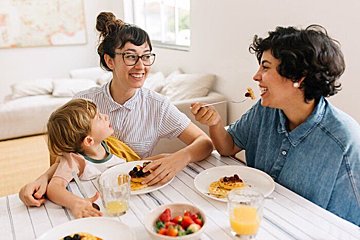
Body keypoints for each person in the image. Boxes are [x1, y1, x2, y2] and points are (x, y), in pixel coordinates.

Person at [19, 12, 213, 207]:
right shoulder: (85, 102)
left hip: (134, 195)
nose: (141, 66)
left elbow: (204, 143)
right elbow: (63, 155)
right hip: (87, 197)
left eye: (146, 56)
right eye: (130, 56)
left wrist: (179, 158)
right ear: (110, 61)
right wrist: (43, 179)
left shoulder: (158, 106)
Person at [191, 25, 360, 225]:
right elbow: (227, 147)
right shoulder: (265, 110)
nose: (256, 76)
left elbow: (349, 224)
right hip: (253, 221)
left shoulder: (343, 140)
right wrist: (215, 123)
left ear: (298, 77)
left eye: (266, 67)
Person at [46, 98, 141, 218]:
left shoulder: (110, 145)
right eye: (99, 118)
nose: (106, 116)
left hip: (129, 204)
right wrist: (75, 203)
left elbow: (135, 165)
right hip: (100, 211)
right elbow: (54, 188)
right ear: (89, 140)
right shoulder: (75, 161)